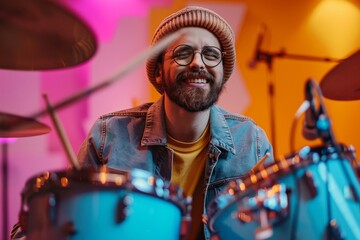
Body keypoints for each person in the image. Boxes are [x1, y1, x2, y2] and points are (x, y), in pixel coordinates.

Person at [11, 5, 273, 240]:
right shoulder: (108, 135)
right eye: (183, 53)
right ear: (158, 71)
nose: (197, 63)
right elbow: (55, 219)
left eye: (211, 54)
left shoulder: (252, 142)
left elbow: (276, 228)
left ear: (222, 73)